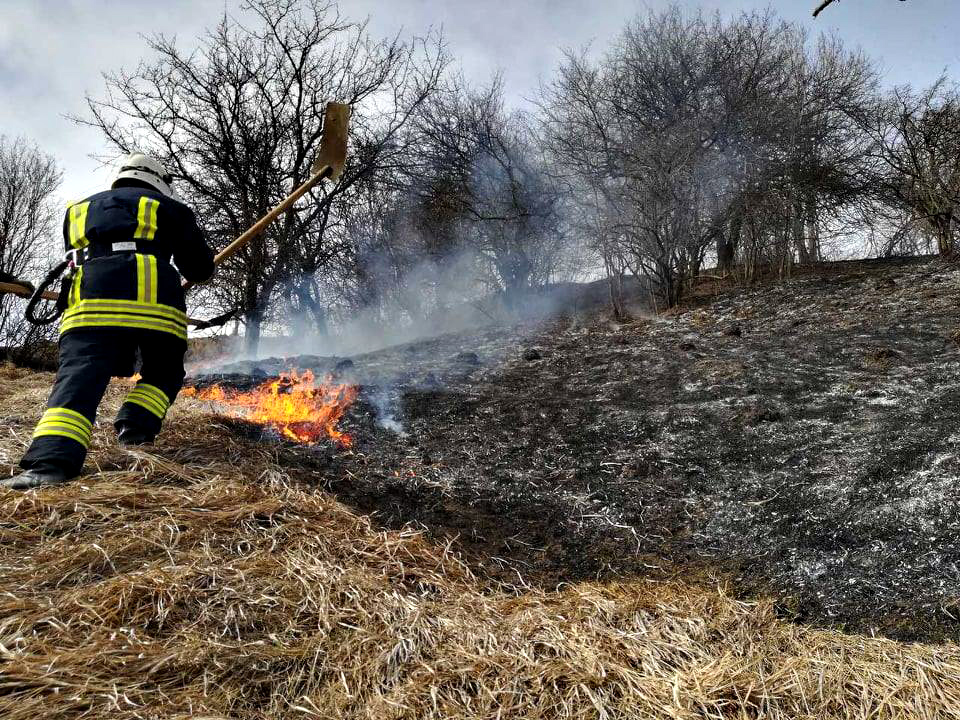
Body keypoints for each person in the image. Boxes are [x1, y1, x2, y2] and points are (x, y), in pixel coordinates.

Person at [2, 153, 214, 490]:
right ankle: (135, 428)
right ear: (160, 181)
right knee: (164, 372)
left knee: (80, 378)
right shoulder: (171, 209)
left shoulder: (77, 209)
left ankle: (49, 465)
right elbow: (200, 269)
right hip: (155, 305)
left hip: (90, 303)